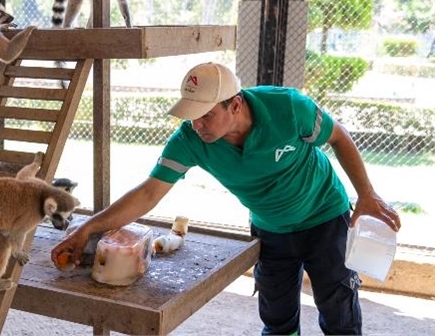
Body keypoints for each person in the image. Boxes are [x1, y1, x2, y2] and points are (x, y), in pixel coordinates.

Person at [51, 62, 402, 335]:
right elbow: (147, 193)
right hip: (270, 227)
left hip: (324, 216)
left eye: (205, 115)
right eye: (191, 115)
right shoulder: (190, 140)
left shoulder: (289, 108)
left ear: (235, 104)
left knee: (338, 310)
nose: (197, 125)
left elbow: (339, 137)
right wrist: (88, 228)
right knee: (277, 319)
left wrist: (367, 195)